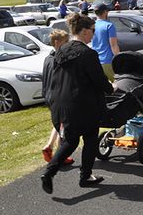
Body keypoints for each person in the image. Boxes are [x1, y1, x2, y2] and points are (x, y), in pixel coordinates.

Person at [40, 13, 114, 194]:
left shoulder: (61, 51)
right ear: (85, 31)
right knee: (90, 138)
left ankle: (49, 172)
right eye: (93, 31)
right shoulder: (88, 54)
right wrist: (112, 87)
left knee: (70, 141)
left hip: (61, 104)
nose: (94, 35)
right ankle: (85, 175)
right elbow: (99, 80)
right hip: (84, 105)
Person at [41, 29, 73, 165]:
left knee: (58, 122)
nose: (68, 44)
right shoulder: (59, 60)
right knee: (64, 125)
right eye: (66, 42)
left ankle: (49, 146)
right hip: (58, 95)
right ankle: (61, 154)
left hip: (48, 94)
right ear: (57, 42)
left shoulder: (48, 58)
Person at [90, 4, 120, 81]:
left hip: (95, 61)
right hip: (107, 60)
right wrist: (119, 58)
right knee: (117, 84)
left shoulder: (92, 26)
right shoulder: (109, 25)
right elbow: (113, 45)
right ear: (105, 12)